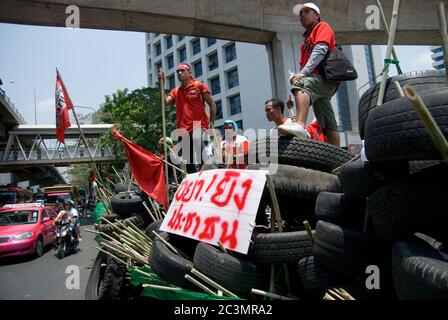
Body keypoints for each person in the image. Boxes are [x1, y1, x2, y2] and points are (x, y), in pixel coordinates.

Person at [278, 2, 340, 146]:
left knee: (299, 82)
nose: (302, 15)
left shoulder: (322, 27)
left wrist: (302, 75)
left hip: (325, 79)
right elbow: (302, 69)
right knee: (327, 122)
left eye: (306, 11)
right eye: (300, 14)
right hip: (319, 85)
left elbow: (320, 50)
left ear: (316, 15)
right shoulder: (305, 42)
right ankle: (338, 156)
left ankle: (299, 125)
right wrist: (294, 90)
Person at [158, 63, 217, 173]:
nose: (180, 73)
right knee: (188, 162)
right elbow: (164, 103)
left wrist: (211, 125)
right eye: (178, 72)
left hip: (198, 125)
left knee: (199, 146)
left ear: (190, 73)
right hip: (183, 129)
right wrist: (162, 83)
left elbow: (212, 105)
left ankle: (206, 174)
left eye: (183, 71)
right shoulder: (176, 91)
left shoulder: (198, 86)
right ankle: (194, 182)